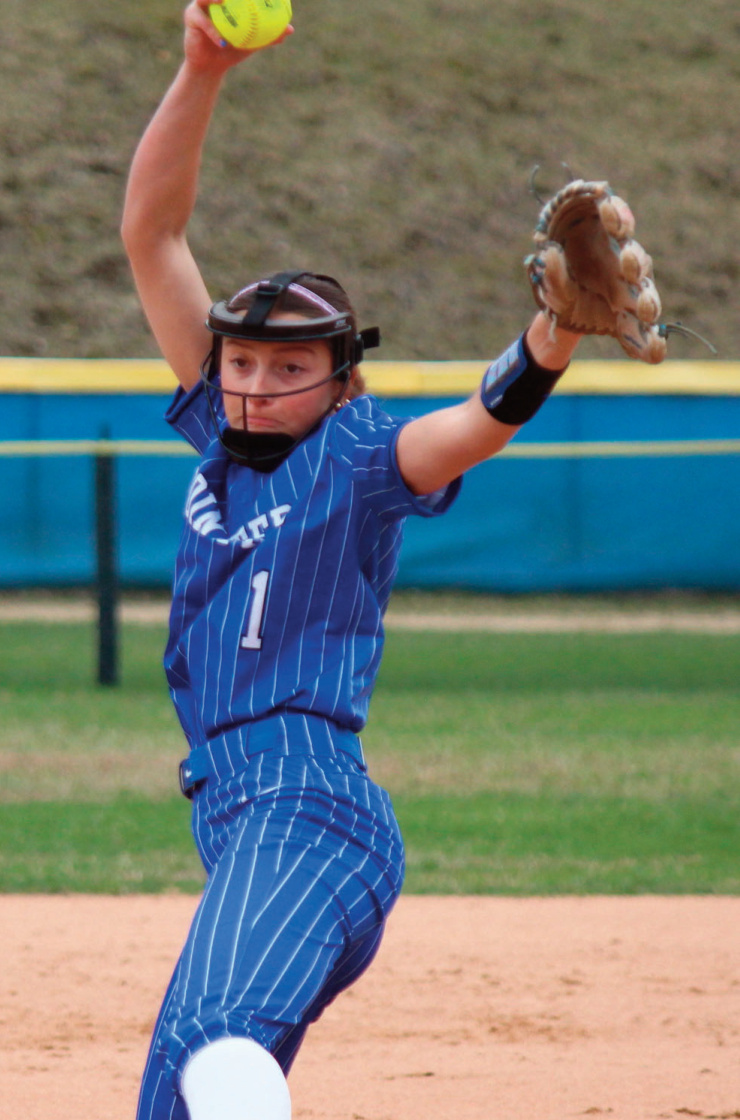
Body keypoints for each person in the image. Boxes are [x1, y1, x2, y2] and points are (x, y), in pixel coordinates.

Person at [121, 3, 582, 1118]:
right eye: (240, 360)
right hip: (239, 815)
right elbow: (153, 236)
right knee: (176, 1090)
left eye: (289, 367)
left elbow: (468, 424)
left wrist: (550, 338)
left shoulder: (356, 451)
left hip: (306, 805)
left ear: (339, 381)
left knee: (210, 1033)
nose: (257, 384)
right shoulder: (218, 440)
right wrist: (201, 72)